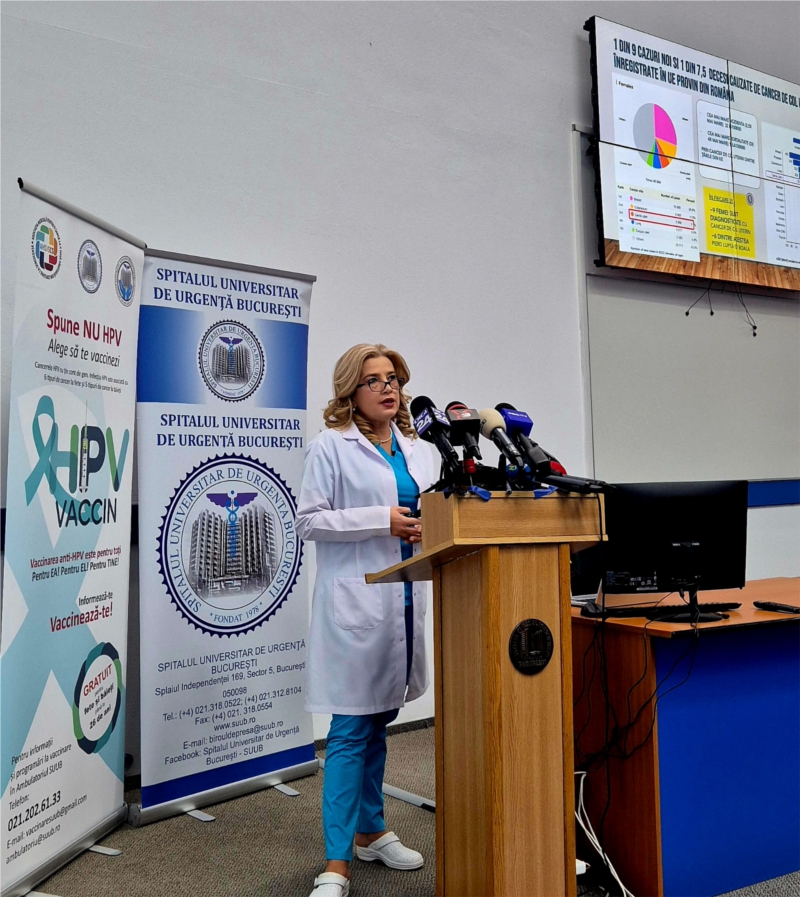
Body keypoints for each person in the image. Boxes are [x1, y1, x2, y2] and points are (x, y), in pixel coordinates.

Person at [296, 343, 438, 897]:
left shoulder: (420, 450)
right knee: (351, 731)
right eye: (373, 380)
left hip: (403, 601)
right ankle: (335, 863)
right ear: (351, 392)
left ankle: (371, 831)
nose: (387, 388)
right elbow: (309, 521)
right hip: (357, 602)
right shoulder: (331, 446)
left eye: (393, 378)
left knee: (379, 721)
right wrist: (382, 519)